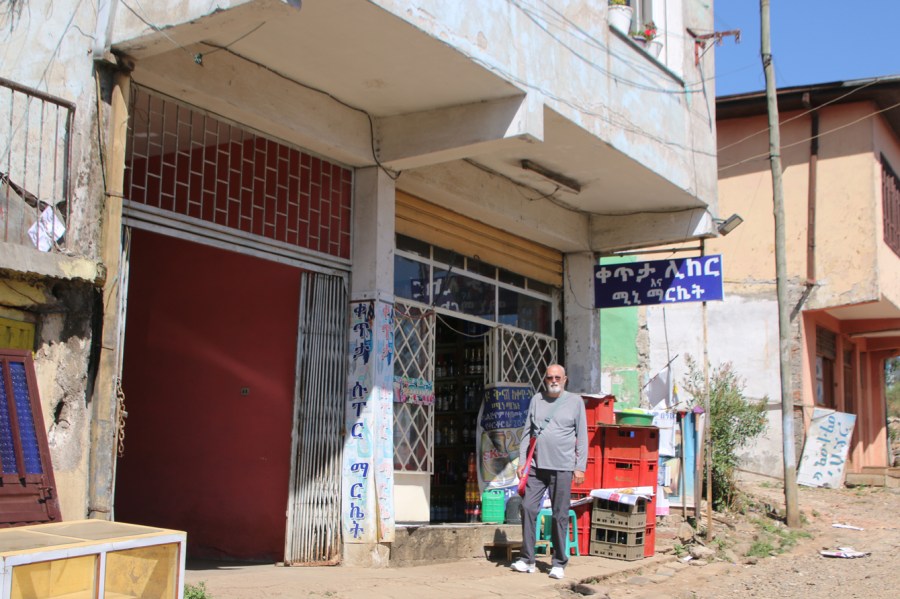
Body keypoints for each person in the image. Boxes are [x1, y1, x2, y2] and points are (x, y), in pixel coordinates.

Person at [511, 364, 587, 580]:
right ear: (544, 379)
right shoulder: (537, 400)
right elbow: (527, 432)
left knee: (559, 514)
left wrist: (579, 467)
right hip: (536, 466)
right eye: (549, 377)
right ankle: (527, 559)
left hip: (562, 467)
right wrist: (522, 462)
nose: (553, 381)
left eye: (557, 377)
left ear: (565, 379)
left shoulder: (575, 402)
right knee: (527, 508)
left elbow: (582, 436)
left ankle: (559, 562)